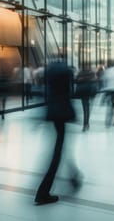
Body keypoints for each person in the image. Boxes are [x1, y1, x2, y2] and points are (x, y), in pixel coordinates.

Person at [35, 55, 80, 205]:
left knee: (60, 147)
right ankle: (43, 192)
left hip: (53, 112)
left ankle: (74, 176)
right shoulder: (65, 71)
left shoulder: (50, 71)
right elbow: (69, 93)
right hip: (62, 112)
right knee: (58, 152)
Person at [75, 64, 97, 131]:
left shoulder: (80, 73)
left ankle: (86, 124)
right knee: (87, 108)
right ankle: (86, 123)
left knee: (85, 107)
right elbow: (95, 80)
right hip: (89, 91)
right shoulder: (91, 73)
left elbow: (76, 80)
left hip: (83, 92)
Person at [102, 62, 114, 126]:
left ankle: (108, 120)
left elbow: (104, 81)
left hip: (109, 90)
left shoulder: (106, 71)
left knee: (109, 105)